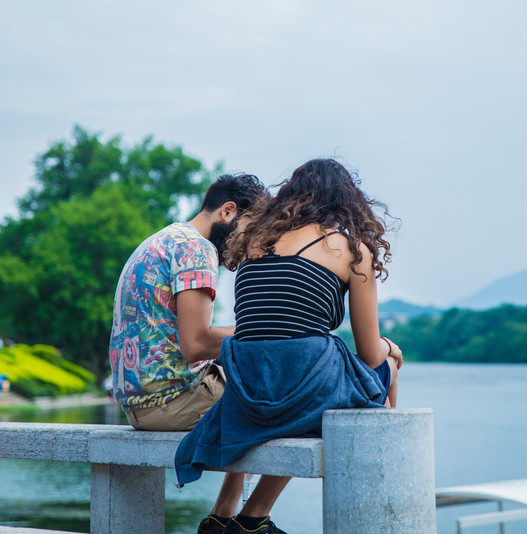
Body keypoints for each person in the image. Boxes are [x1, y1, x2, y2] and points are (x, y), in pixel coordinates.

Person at [174, 158, 402, 534]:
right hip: (298, 374)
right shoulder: (352, 249)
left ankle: (233, 515)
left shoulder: (253, 242)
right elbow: (368, 353)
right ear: (347, 203)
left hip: (245, 376)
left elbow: (262, 326)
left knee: (292, 374)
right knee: (385, 372)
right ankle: (378, 498)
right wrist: (391, 348)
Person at [108, 173, 267, 534]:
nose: (251, 244)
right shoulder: (198, 250)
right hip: (169, 401)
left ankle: (224, 515)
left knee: (253, 380)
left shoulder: (165, 238)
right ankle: (244, 519)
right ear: (228, 211)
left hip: (139, 405)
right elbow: (195, 344)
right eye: (251, 230)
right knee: (280, 393)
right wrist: (265, 328)